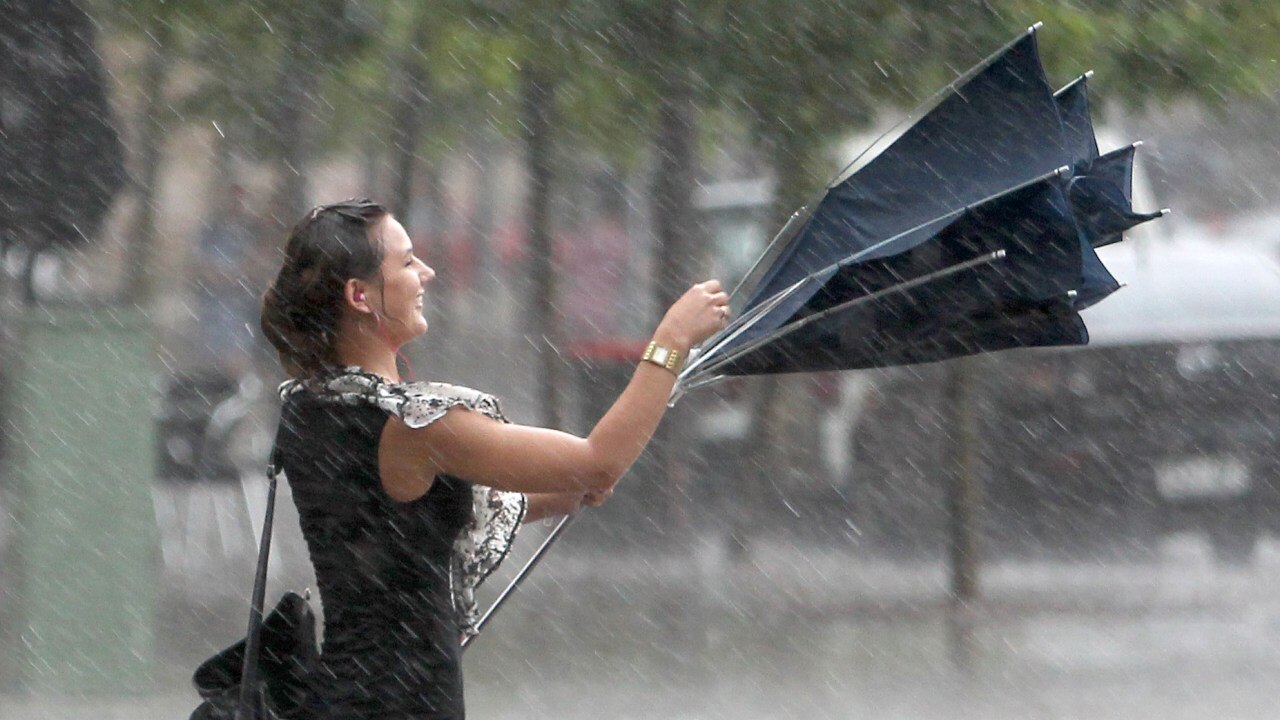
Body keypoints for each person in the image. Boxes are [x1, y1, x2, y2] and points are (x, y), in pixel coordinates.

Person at [259, 199, 729, 719]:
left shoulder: (313, 405)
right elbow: (600, 460)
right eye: (409, 262)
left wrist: (558, 494)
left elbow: (397, 528)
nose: (427, 272)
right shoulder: (416, 426)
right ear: (360, 295)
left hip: (346, 697)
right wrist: (670, 341)